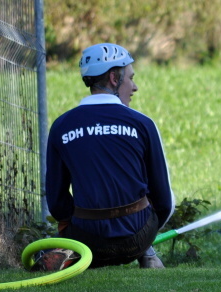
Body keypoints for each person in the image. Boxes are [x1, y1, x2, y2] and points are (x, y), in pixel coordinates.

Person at [46, 43, 175, 269]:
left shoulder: (61, 126)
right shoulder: (142, 124)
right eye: (130, 78)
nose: (134, 87)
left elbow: (56, 202)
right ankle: (148, 254)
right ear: (114, 78)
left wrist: (79, 226)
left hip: (86, 240)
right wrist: (145, 235)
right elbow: (164, 201)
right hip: (137, 240)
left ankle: (73, 256)